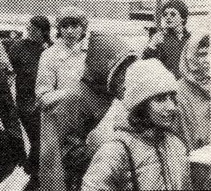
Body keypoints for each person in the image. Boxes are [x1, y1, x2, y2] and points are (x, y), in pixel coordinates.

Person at [37, 32, 137, 191]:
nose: (126, 79)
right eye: (120, 73)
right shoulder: (77, 98)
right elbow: (69, 151)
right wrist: (110, 160)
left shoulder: (108, 95)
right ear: (104, 70)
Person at [81, 59, 189, 190]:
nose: (171, 106)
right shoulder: (116, 150)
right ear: (141, 105)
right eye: (160, 99)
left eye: (172, 98)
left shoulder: (176, 145)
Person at [8, 15, 52, 185]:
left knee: (39, 142)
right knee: (31, 140)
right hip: (23, 102)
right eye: (29, 28)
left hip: (42, 102)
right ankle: (29, 174)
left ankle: (35, 175)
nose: (30, 32)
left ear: (44, 32)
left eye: (35, 30)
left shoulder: (49, 49)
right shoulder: (19, 46)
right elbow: (9, 72)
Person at [175, 31, 210, 189]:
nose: (208, 60)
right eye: (202, 54)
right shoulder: (178, 92)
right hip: (193, 168)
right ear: (190, 57)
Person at [35, 7, 89, 104]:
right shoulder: (49, 55)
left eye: (74, 26)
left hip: (89, 116)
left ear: (83, 29)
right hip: (60, 115)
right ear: (59, 30)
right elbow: (42, 96)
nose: (69, 31)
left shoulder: (91, 53)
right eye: (64, 26)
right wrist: (70, 94)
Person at [144, 0, 191, 78]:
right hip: (167, 84)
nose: (168, 17)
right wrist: (152, 44)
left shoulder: (190, 38)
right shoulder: (159, 38)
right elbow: (146, 63)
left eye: (173, 14)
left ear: (183, 18)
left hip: (188, 83)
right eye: (165, 15)